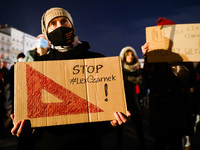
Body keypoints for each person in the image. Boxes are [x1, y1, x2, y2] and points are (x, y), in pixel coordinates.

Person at [10, 7, 130, 150]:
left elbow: (105, 111)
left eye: (64, 21)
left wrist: (112, 121)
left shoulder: (97, 61)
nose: (59, 26)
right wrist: (27, 128)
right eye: (53, 24)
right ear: (46, 32)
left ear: (72, 26)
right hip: (50, 144)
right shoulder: (37, 67)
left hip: (88, 143)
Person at [141, 18, 196, 150]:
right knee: (160, 143)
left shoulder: (184, 56)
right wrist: (147, 56)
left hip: (178, 110)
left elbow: (192, 80)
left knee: (175, 143)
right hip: (161, 111)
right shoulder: (153, 57)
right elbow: (147, 81)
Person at [120, 46, 146, 150]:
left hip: (134, 99)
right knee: (121, 126)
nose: (130, 56)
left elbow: (141, 82)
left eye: (131, 54)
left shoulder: (137, 69)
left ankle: (142, 144)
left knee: (138, 125)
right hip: (123, 100)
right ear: (124, 57)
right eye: (128, 55)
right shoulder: (120, 69)